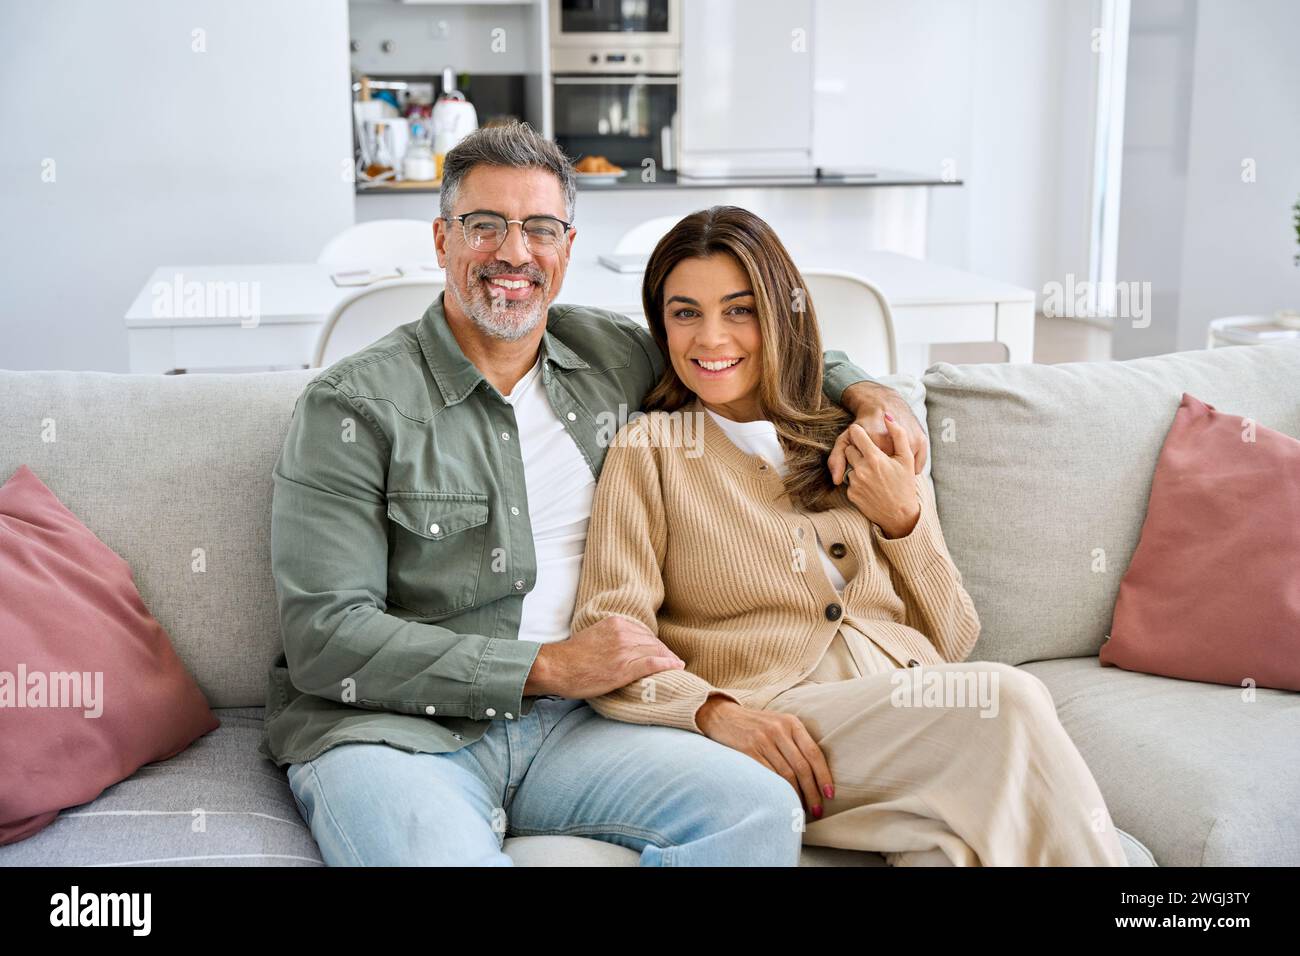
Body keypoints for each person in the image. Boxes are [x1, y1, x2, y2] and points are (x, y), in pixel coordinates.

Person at [259, 122, 925, 865]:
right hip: (397, 733)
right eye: (486, 226)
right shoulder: (350, 407)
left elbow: (749, 351)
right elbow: (324, 637)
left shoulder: (608, 356)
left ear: (567, 249)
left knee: (758, 810)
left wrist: (866, 394)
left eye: (539, 228)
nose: (514, 253)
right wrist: (547, 666)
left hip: (579, 728)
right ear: (442, 241)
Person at [570, 205, 1130, 866]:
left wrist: (904, 521)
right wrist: (715, 712)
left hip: (913, 707)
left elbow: (952, 636)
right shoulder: (651, 449)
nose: (711, 338)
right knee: (1004, 698)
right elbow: (608, 640)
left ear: (781, 314)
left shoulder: (851, 434)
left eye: (740, 310)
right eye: (685, 312)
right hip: (785, 723)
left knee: (950, 850)